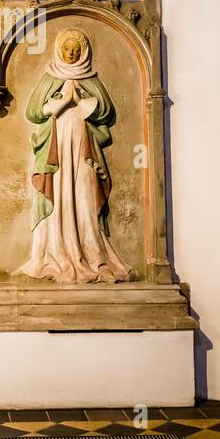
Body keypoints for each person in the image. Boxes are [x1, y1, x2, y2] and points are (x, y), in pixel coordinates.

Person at [15, 28, 132, 283]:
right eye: (67, 49)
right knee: (59, 194)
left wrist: (80, 101)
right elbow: (34, 111)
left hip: (84, 147)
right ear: (60, 50)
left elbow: (106, 111)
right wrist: (60, 102)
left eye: (75, 50)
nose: (71, 54)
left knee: (85, 195)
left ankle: (94, 254)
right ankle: (56, 250)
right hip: (56, 148)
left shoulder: (90, 78)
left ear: (83, 53)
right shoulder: (50, 77)